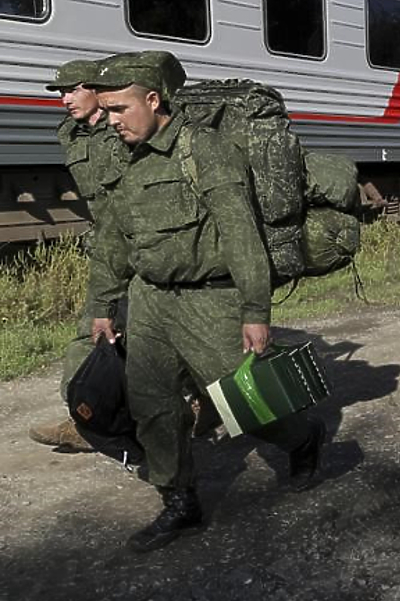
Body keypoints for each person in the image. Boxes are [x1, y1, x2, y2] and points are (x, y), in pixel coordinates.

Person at [86, 51, 326, 553]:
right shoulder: (122, 158)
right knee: (154, 408)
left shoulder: (205, 149)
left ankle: (303, 438)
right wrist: (103, 304)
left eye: (120, 109)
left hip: (209, 301)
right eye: (106, 111)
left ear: (153, 100)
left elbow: (242, 234)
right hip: (148, 301)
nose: (111, 121)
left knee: (250, 403)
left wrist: (255, 311)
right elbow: (111, 237)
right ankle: (180, 502)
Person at [28, 59, 130, 453]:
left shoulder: (124, 128)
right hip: (110, 245)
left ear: (97, 90)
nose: (65, 99)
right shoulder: (72, 133)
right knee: (93, 331)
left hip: (144, 245)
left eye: (72, 90)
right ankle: (85, 419)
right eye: (60, 92)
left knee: (152, 336)